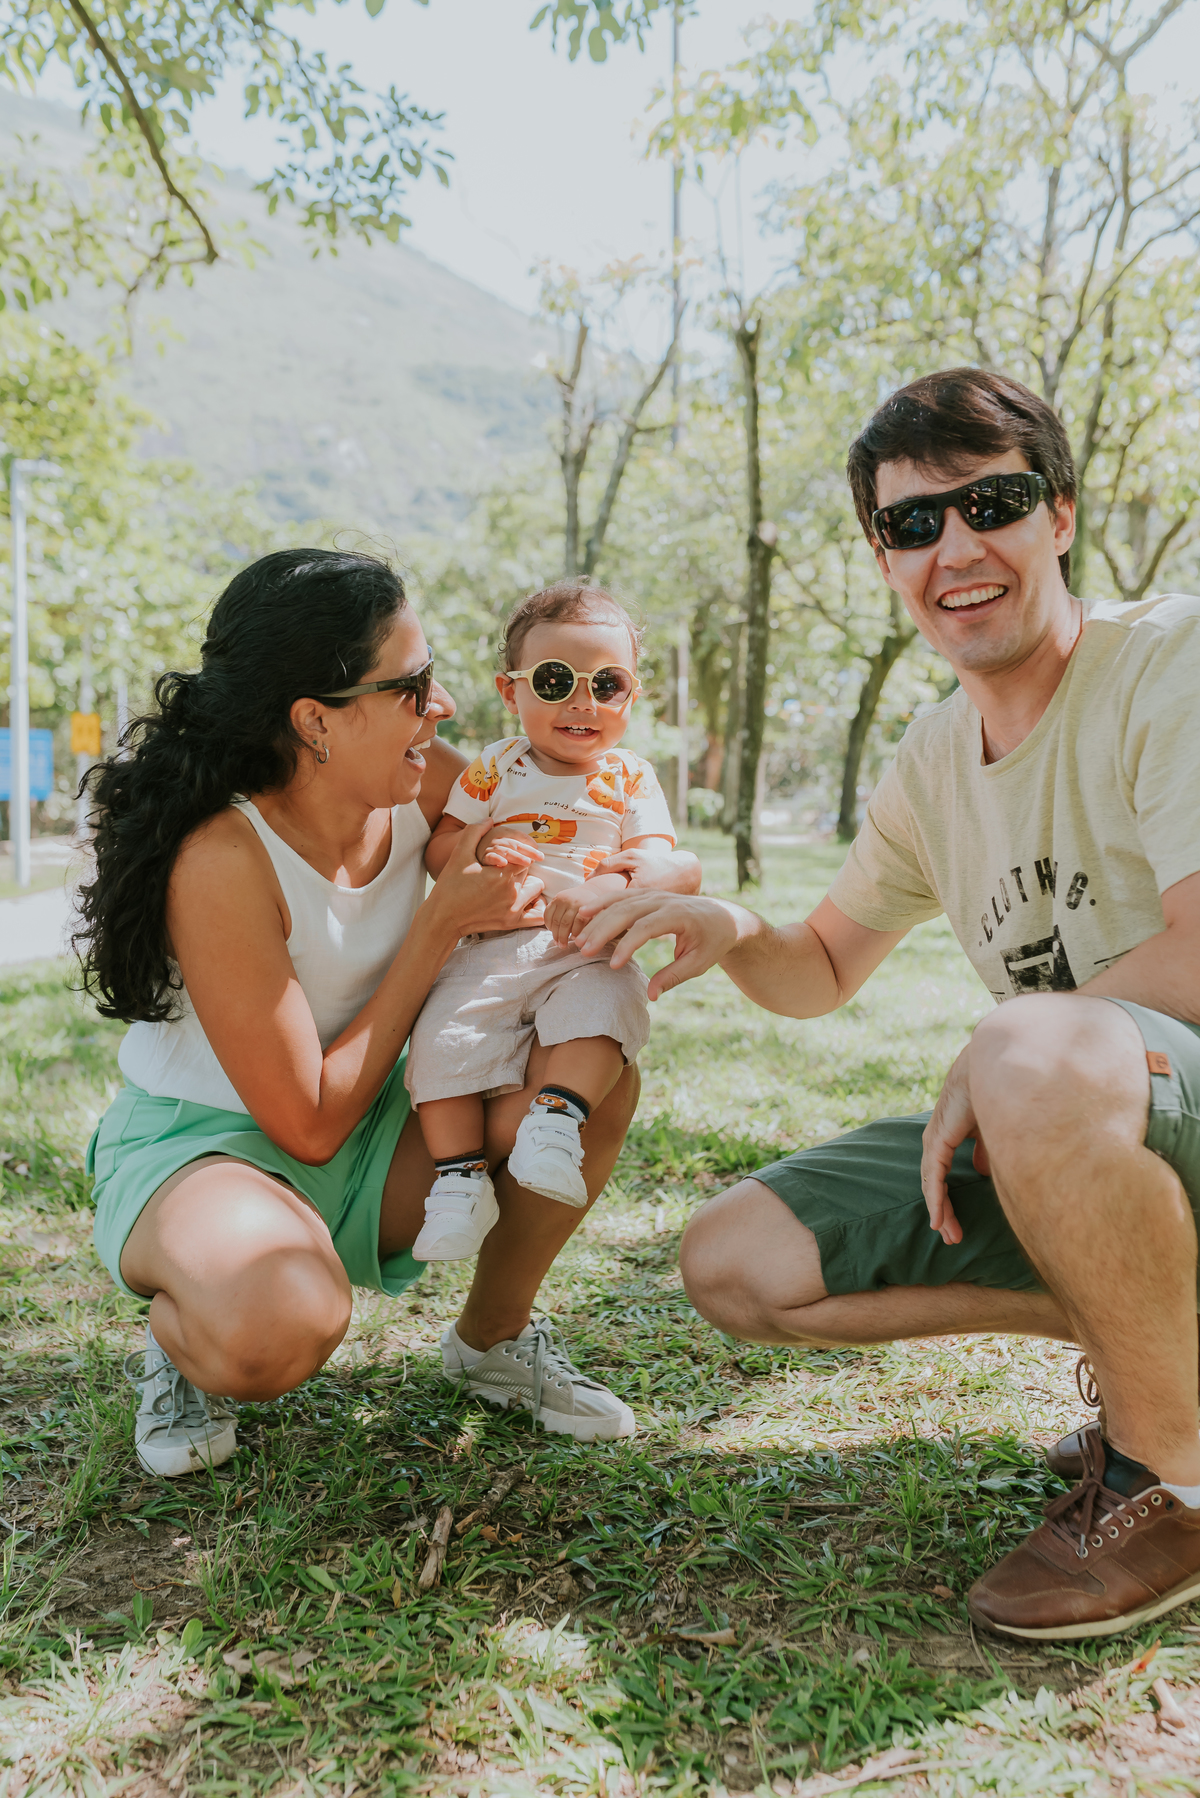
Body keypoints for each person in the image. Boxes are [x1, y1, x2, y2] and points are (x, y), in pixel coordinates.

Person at [567, 367, 1200, 1642]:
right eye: (914, 523)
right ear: (884, 557)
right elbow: (821, 965)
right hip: (1075, 1122)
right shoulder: (929, 761)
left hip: (1128, 1108)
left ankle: (1174, 1484)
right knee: (736, 1261)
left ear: (1060, 514)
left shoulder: (1165, 661)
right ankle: (1165, 1360)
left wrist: (1004, 1050)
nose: (954, 549)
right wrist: (732, 929)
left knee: (1024, 1051)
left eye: (992, 505)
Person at [75, 549, 700, 1478]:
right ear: (315, 720)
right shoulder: (223, 857)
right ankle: (187, 1334)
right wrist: (438, 928)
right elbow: (307, 1123)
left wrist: (643, 881)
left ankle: (492, 1342)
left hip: (378, 1125)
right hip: (208, 1147)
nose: (439, 707)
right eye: (410, 687)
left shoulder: (425, 778)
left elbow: (571, 817)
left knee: (591, 1071)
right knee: (279, 1326)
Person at [406, 582, 678, 1262]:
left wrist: (606, 884)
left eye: (607, 684)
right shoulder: (494, 768)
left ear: (631, 697)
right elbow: (442, 847)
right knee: (441, 1039)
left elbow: (653, 857)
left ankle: (556, 1123)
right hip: (489, 946)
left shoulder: (631, 777)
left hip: (585, 947)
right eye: (556, 682)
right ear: (511, 692)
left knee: (609, 1008)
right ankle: (458, 1181)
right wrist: (480, 850)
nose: (583, 702)